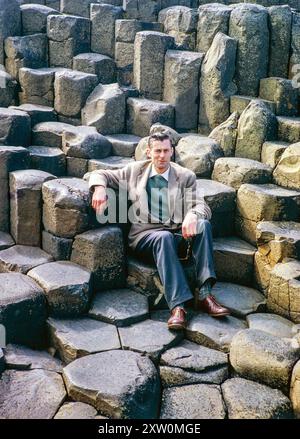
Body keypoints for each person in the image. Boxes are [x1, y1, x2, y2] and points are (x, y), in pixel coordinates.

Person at [88, 133, 230, 330]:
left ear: (172, 151)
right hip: (145, 237)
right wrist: (99, 189)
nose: (162, 156)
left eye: (166, 151)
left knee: (203, 225)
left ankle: (205, 294)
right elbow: (99, 174)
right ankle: (178, 307)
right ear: (149, 152)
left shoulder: (185, 176)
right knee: (163, 237)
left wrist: (193, 215)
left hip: (176, 235)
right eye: (157, 151)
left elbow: (202, 206)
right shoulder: (135, 171)